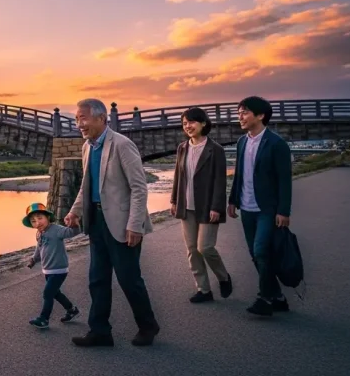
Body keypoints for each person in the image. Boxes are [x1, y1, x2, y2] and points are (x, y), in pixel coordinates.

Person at [64, 98, 159, 347]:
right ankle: (100, 331)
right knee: (97, 279)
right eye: (76, 119)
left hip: (122, 222)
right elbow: (87, 185)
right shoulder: (87, 146)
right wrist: (75, 211)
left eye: (83, 118)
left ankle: (148, 326)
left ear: (101, 118)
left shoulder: (121, 144)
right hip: (96, 221)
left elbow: (139, 188)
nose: (79, 124)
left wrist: (135, 224)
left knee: (129, 279)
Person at [227, 96, 293, 317]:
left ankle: (264, 298)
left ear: (261, 115)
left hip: (267, 209)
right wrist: (232, 200)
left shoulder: (276, 144)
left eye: (244, 112)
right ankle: (278, 297)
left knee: (261, 250)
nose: (240, 117)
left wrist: (284, 210)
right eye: (239, 113)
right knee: (255, 255)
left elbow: (285, 179)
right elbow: (239, 174)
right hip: (246, 208)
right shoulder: (242, 142)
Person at [170, 107, 232, 303]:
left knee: (205, 247)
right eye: (184, 123)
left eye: (191, 122)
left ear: (203, 123)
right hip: (186, 206)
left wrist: (217, 207)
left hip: (207, 207)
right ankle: (203, 290)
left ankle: (223, 277)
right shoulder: (182, 148)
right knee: (192, 250)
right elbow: (178, 177)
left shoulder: (216, 150)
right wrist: (173, 200)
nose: (187, 126)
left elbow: (220, 182)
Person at [24, 202, 82, 329]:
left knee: (47, 294)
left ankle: (44, 319)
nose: (37, 223)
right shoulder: (39, 233)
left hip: (59, 269)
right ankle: (72, 310)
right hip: (48, 270)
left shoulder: (56, 230)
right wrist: (33, 260)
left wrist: (75, 224)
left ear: (48, 217)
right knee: (55, 293)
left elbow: (71, 233)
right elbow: (39, 248)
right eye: (33, 221)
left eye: (40, 218)